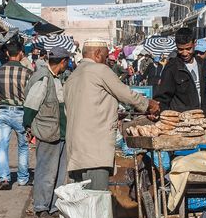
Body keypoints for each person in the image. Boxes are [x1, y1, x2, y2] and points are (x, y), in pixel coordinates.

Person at [64, 40, 161, 190]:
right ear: (97, 54)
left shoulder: (73, 76)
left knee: (83, 203)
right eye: (104, 55)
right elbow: (125, 93)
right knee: (96, 201)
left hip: (76, 151)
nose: (106, 60)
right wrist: (149, 104)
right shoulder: (99, 70)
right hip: (94, 151)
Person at [23, 46, 70, 218]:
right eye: (67, 61)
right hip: (47, 131)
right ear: (63, 62)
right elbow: (30, 106)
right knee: (46, 172)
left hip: (61, 132)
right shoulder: (43, 78)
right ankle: (41, 207)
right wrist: (27, 126)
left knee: (59, 172)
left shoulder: (57, 78)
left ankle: (53, 206)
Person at [0, 41, 32, 188]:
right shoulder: (27, 73)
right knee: (23, 146)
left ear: (7, 54)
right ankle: (22, 179)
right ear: (20, 53)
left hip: (3, 112)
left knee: (2, 146)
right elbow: (31, 97)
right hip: (21, 112)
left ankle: (5, 179)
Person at [155, 27, 206, 116]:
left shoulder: (202, 64)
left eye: (188, 49)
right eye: (181, 49)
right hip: (181, 121)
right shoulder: (172, 67)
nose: (185, 53)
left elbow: (204, 94)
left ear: (195, 43)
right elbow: (163, 97)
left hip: (202, 118)